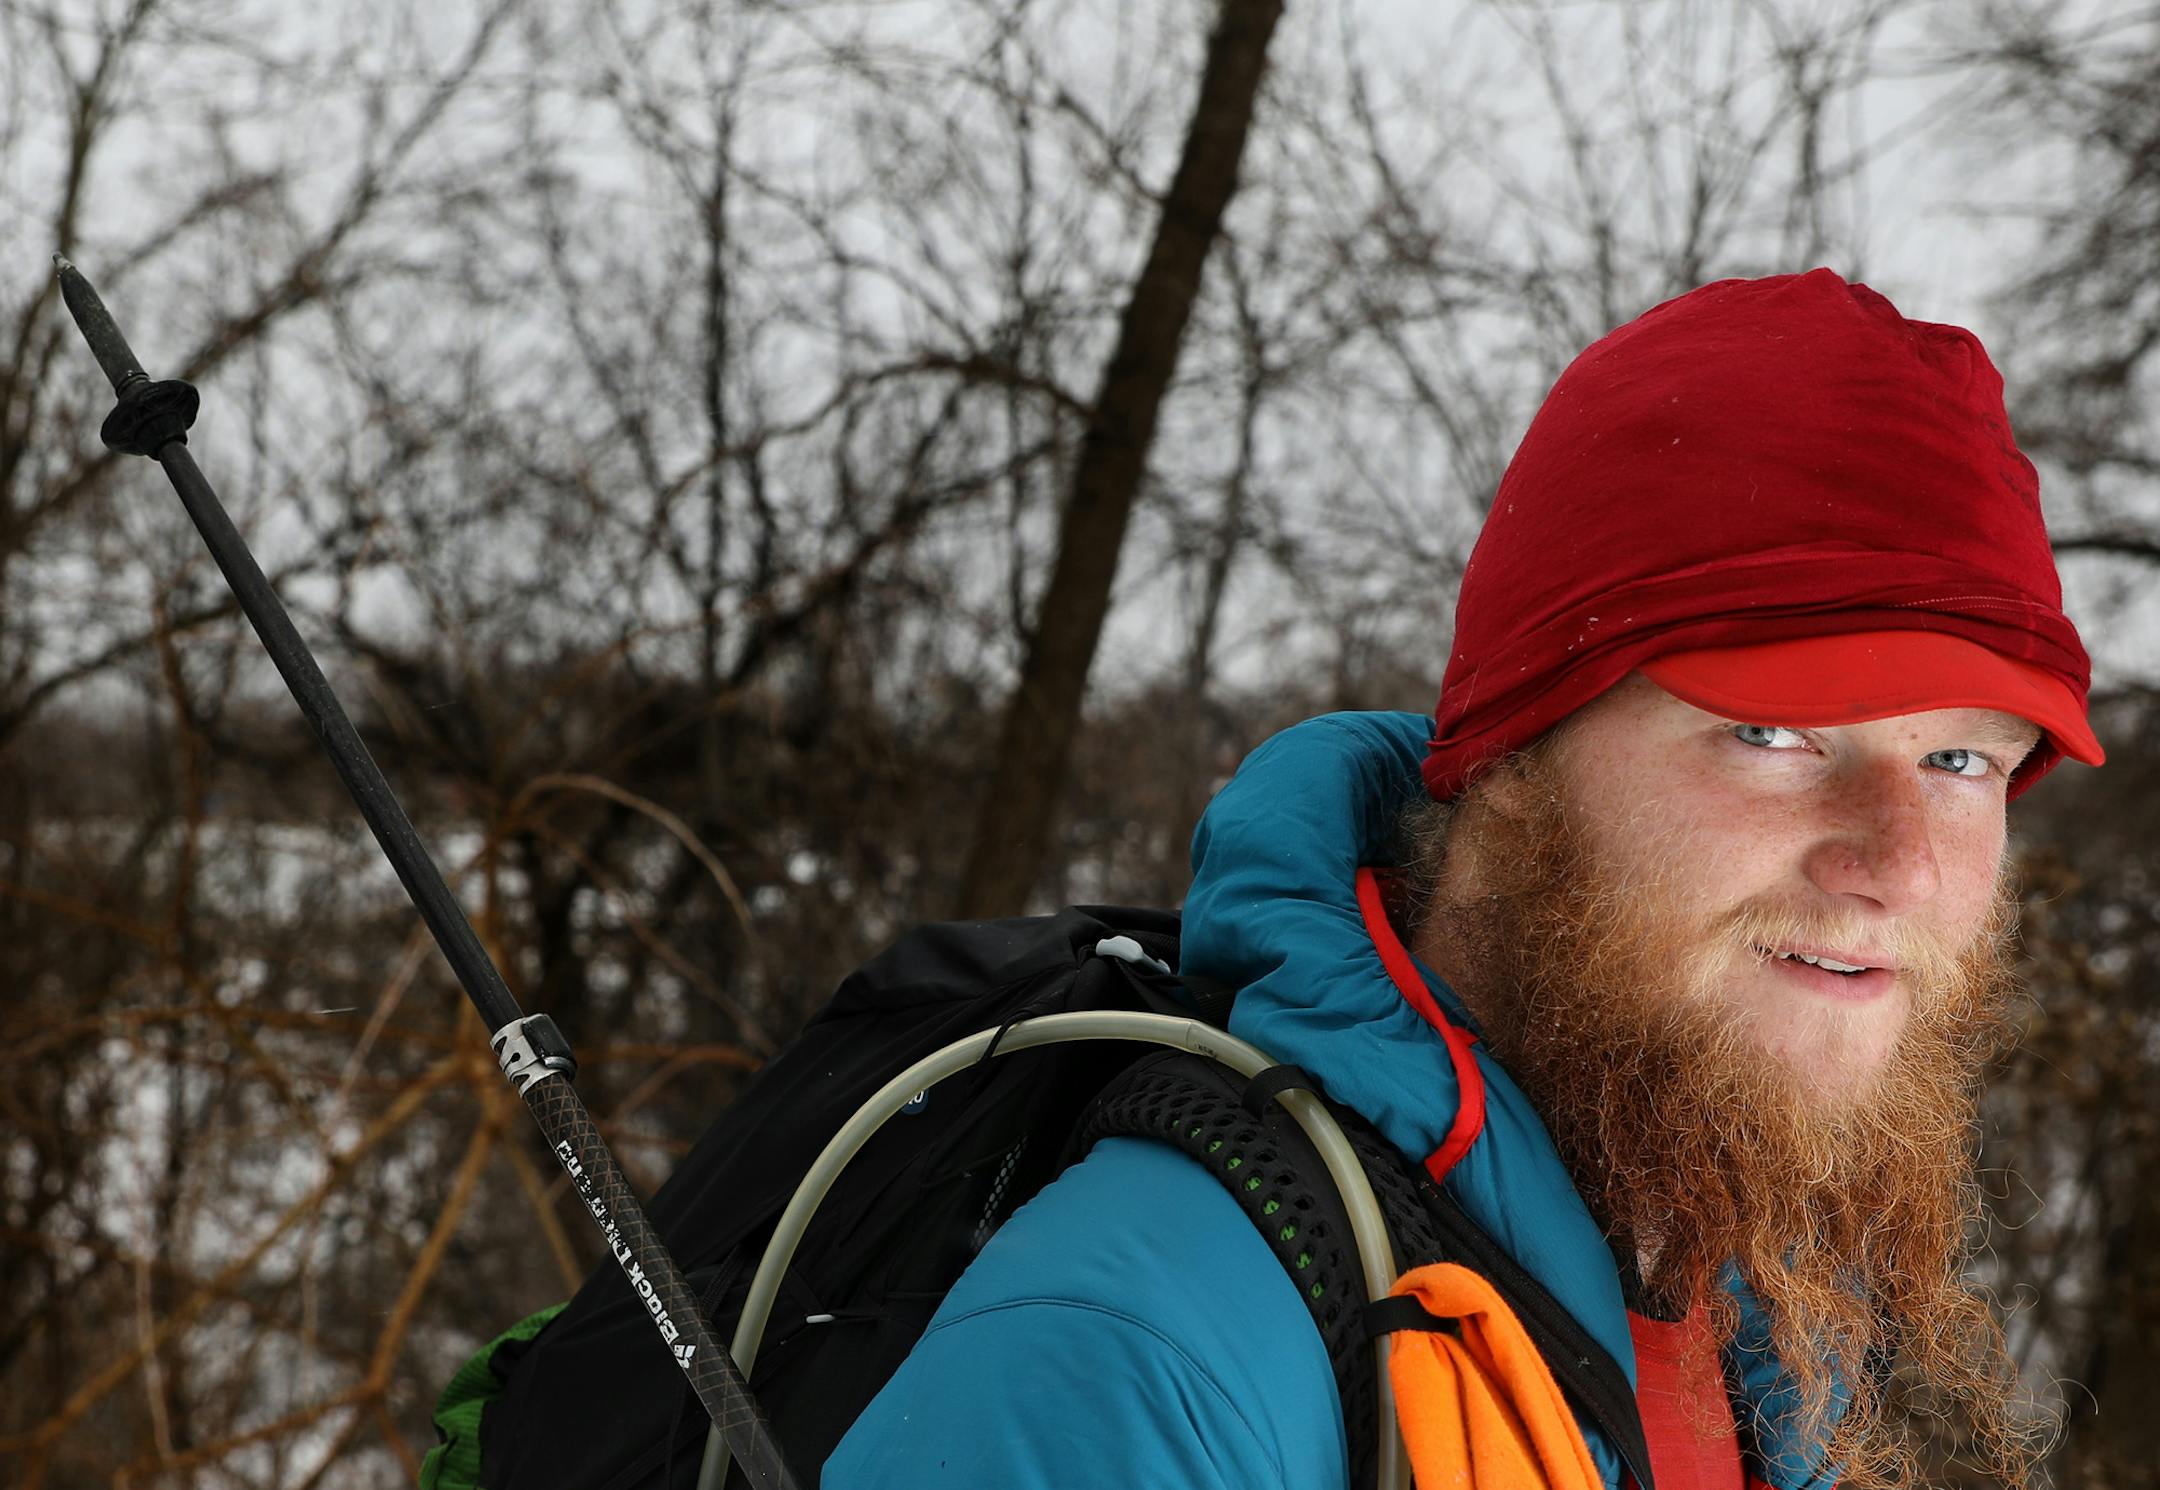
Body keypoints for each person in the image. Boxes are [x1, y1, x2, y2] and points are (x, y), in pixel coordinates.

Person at [822, 269, 2104, 1490]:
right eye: (1774, 735)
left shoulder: (1750, 1317)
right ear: (1511, 761)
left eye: (1958, 756)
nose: (1898, 863)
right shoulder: (1146, 1360)